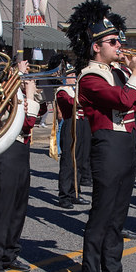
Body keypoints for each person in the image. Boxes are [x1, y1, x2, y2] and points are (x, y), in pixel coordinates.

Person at [65, 0, 136, 272]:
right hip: (107, 145)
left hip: (126, 145)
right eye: (112, 42)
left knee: (118, 216)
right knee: (100, 217)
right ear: (96, 47)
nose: (119, 45)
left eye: (118, 40)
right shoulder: (90, 77)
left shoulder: (122, 73)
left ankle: (113, 271)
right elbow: (122, 101)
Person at [0, 36, 44, 272]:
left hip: (21, 151)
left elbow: (34, 120)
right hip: (6, 150)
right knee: (4, 208)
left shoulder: (11, 83)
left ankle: (10, 253)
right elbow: (26, 122)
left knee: (19, 207)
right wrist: (28, 94)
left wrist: (31, 94)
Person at [54, 69, 92, 209]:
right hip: (70, 123)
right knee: (68, 162)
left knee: (81, 160)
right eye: (70, 75)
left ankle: (75, 192)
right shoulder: (62, 90)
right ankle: (64, 196)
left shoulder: (77, 89)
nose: (74, 78)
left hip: (83, 124)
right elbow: (71, 103)